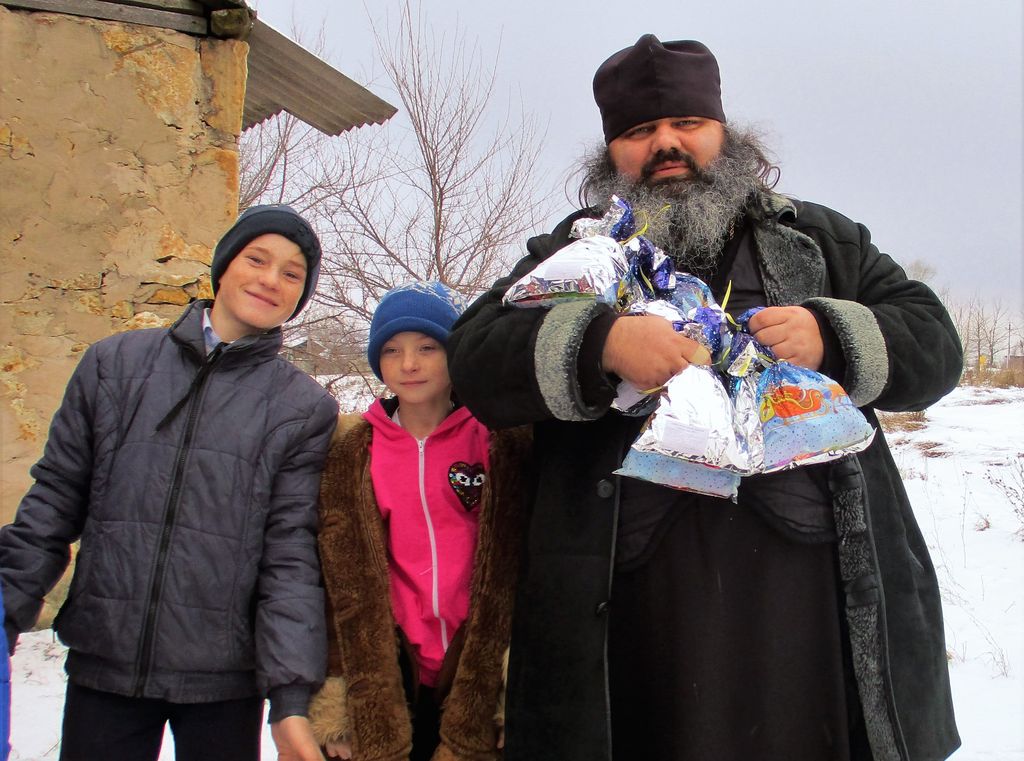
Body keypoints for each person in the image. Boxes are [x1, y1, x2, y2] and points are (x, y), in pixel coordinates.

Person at [447, 35, 963, 761]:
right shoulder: (571, 254)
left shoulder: (819, 241)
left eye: (686, 123)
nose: (666, 143)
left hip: (813, 608)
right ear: (610, 153)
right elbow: (474, 358)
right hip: (633, 619)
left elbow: (936, 344)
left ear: (724, 132)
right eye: (639, 130)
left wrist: (830, 335)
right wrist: (600, 343)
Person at [0, 205, 340, 761]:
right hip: (106, 664)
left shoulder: (302, 408)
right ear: (224, 266)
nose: (270, 280)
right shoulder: (114, 366)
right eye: (257, 259)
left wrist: (290, 696)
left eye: (292, 273)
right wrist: (5, 609)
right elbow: (53, 501)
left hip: (223, 684)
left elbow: (290, 554)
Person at [307, 282, 530, 761]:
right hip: (393, 669)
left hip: (475, 667)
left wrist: (515, 688)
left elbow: (528, 567)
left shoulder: (498, 441)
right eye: (392, 350)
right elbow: (336, 582)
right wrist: (336, 698)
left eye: (427, 347)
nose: (409, 364)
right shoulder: (353, 450)